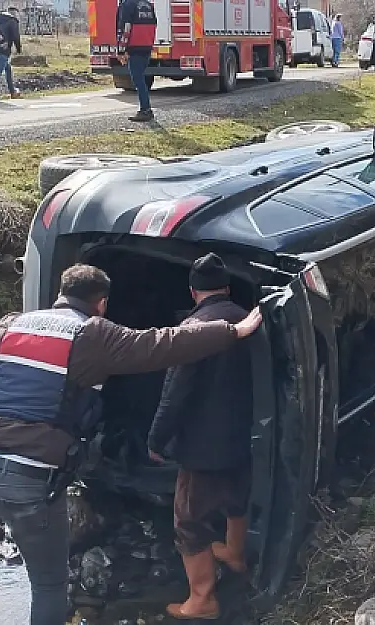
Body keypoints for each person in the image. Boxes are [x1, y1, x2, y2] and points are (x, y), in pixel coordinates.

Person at [0, 264, 263, 625]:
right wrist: (232, 330)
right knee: (49, 585)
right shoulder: (92, 334)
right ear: (102, 302)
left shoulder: (11, 324)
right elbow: (164, 344)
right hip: (30, 480)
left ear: (60, 293)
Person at [147, 254, 254, 621]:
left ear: (194, 292)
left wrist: (157, 440)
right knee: (236, 498)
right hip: (245, 433)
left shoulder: (192, 329)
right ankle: (235, 554)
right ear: (226, 287)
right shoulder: (249, 317)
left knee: (189, 520)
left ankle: (202, 600)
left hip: (203, 445)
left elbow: (174, 392)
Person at [117, 0, 158, 122]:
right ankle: (146, 109)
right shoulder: (148, 5)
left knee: (138, 79)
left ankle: (145, 110)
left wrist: (121, 50)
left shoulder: (128, 5)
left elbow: (125, 28)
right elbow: (154, 25)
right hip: (146, 47)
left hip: (134, 48)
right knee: (141, 78)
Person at [0, 6, 23, 99]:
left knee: (7, 69)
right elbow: (16, 36)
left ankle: (12, 91)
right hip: (4, 48)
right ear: (15, 13)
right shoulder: (13, 20)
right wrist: (18, 49)